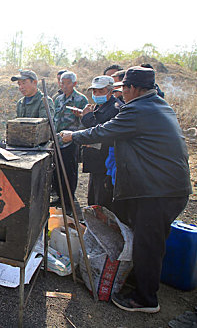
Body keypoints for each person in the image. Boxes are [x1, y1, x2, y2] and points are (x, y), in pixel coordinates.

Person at [60, 66, 192, 314]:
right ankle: (142, 282)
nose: (121, 95)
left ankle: (146, 299)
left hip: (159, 190)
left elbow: (104, 131)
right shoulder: (158, 105)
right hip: (168, 187)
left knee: (147, 243)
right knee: (149, 240)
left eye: (123, 90)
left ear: (133, 89)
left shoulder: (138, 110)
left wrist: (71, 136)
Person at [80, 75, 122, 210]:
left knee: (102, 200)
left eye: (101, 91)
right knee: (93, 197)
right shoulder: (99, 106)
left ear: (111, 91)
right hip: (96, 162)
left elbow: (100, 132)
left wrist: (86, 117)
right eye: (94, 91)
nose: (96, 94)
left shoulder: (115, 109)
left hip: (106, 163)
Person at [52, 71, 88, 213]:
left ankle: (69, 201)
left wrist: (76, 136)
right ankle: (60, 197)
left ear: (74, 84)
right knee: (57, 171)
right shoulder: (58, 99)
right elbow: (55, 118)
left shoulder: (80, 99)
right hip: (57, 139)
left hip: (71, 141)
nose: (64, 86)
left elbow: (84, 121)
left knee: (70, 171)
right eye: (62, 82)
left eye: (67, 83)